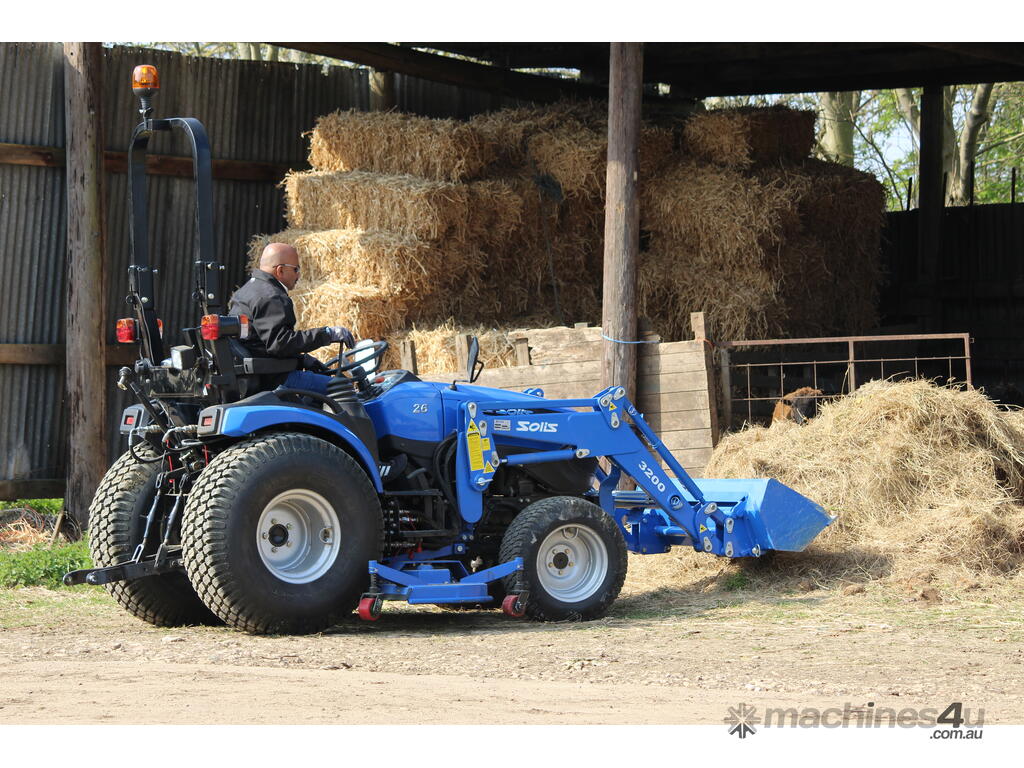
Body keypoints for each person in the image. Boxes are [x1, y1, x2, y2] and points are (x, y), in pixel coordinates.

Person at [229, 242, 353, 395]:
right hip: (274, 379)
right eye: (296, 269)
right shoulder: (272, 296)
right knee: (343, 389)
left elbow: (264, 342)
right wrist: (327, 334)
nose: (298, 275)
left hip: (258, 374)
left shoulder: (245, 291)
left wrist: (303, 360)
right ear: (280, 270)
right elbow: (280, 344)